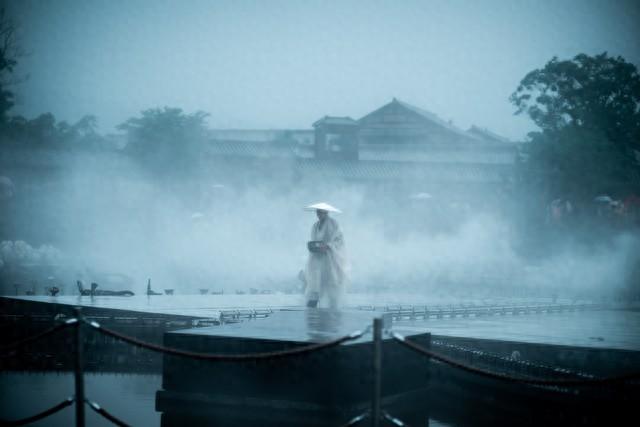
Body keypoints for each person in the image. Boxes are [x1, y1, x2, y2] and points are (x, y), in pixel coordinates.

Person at [303, 202, 349, 309]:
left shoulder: (334, 224)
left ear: (326, 213)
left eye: (321, 212)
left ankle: (333, 308)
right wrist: (313, 246)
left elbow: (339, 241)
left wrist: (328, 246)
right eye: (317, 212)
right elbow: (314, 241)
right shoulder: (315, 225)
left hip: (330, 259)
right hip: (316, 259)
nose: (319, 214)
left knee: (330, 283)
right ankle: (311, 308)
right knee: (314, 284)